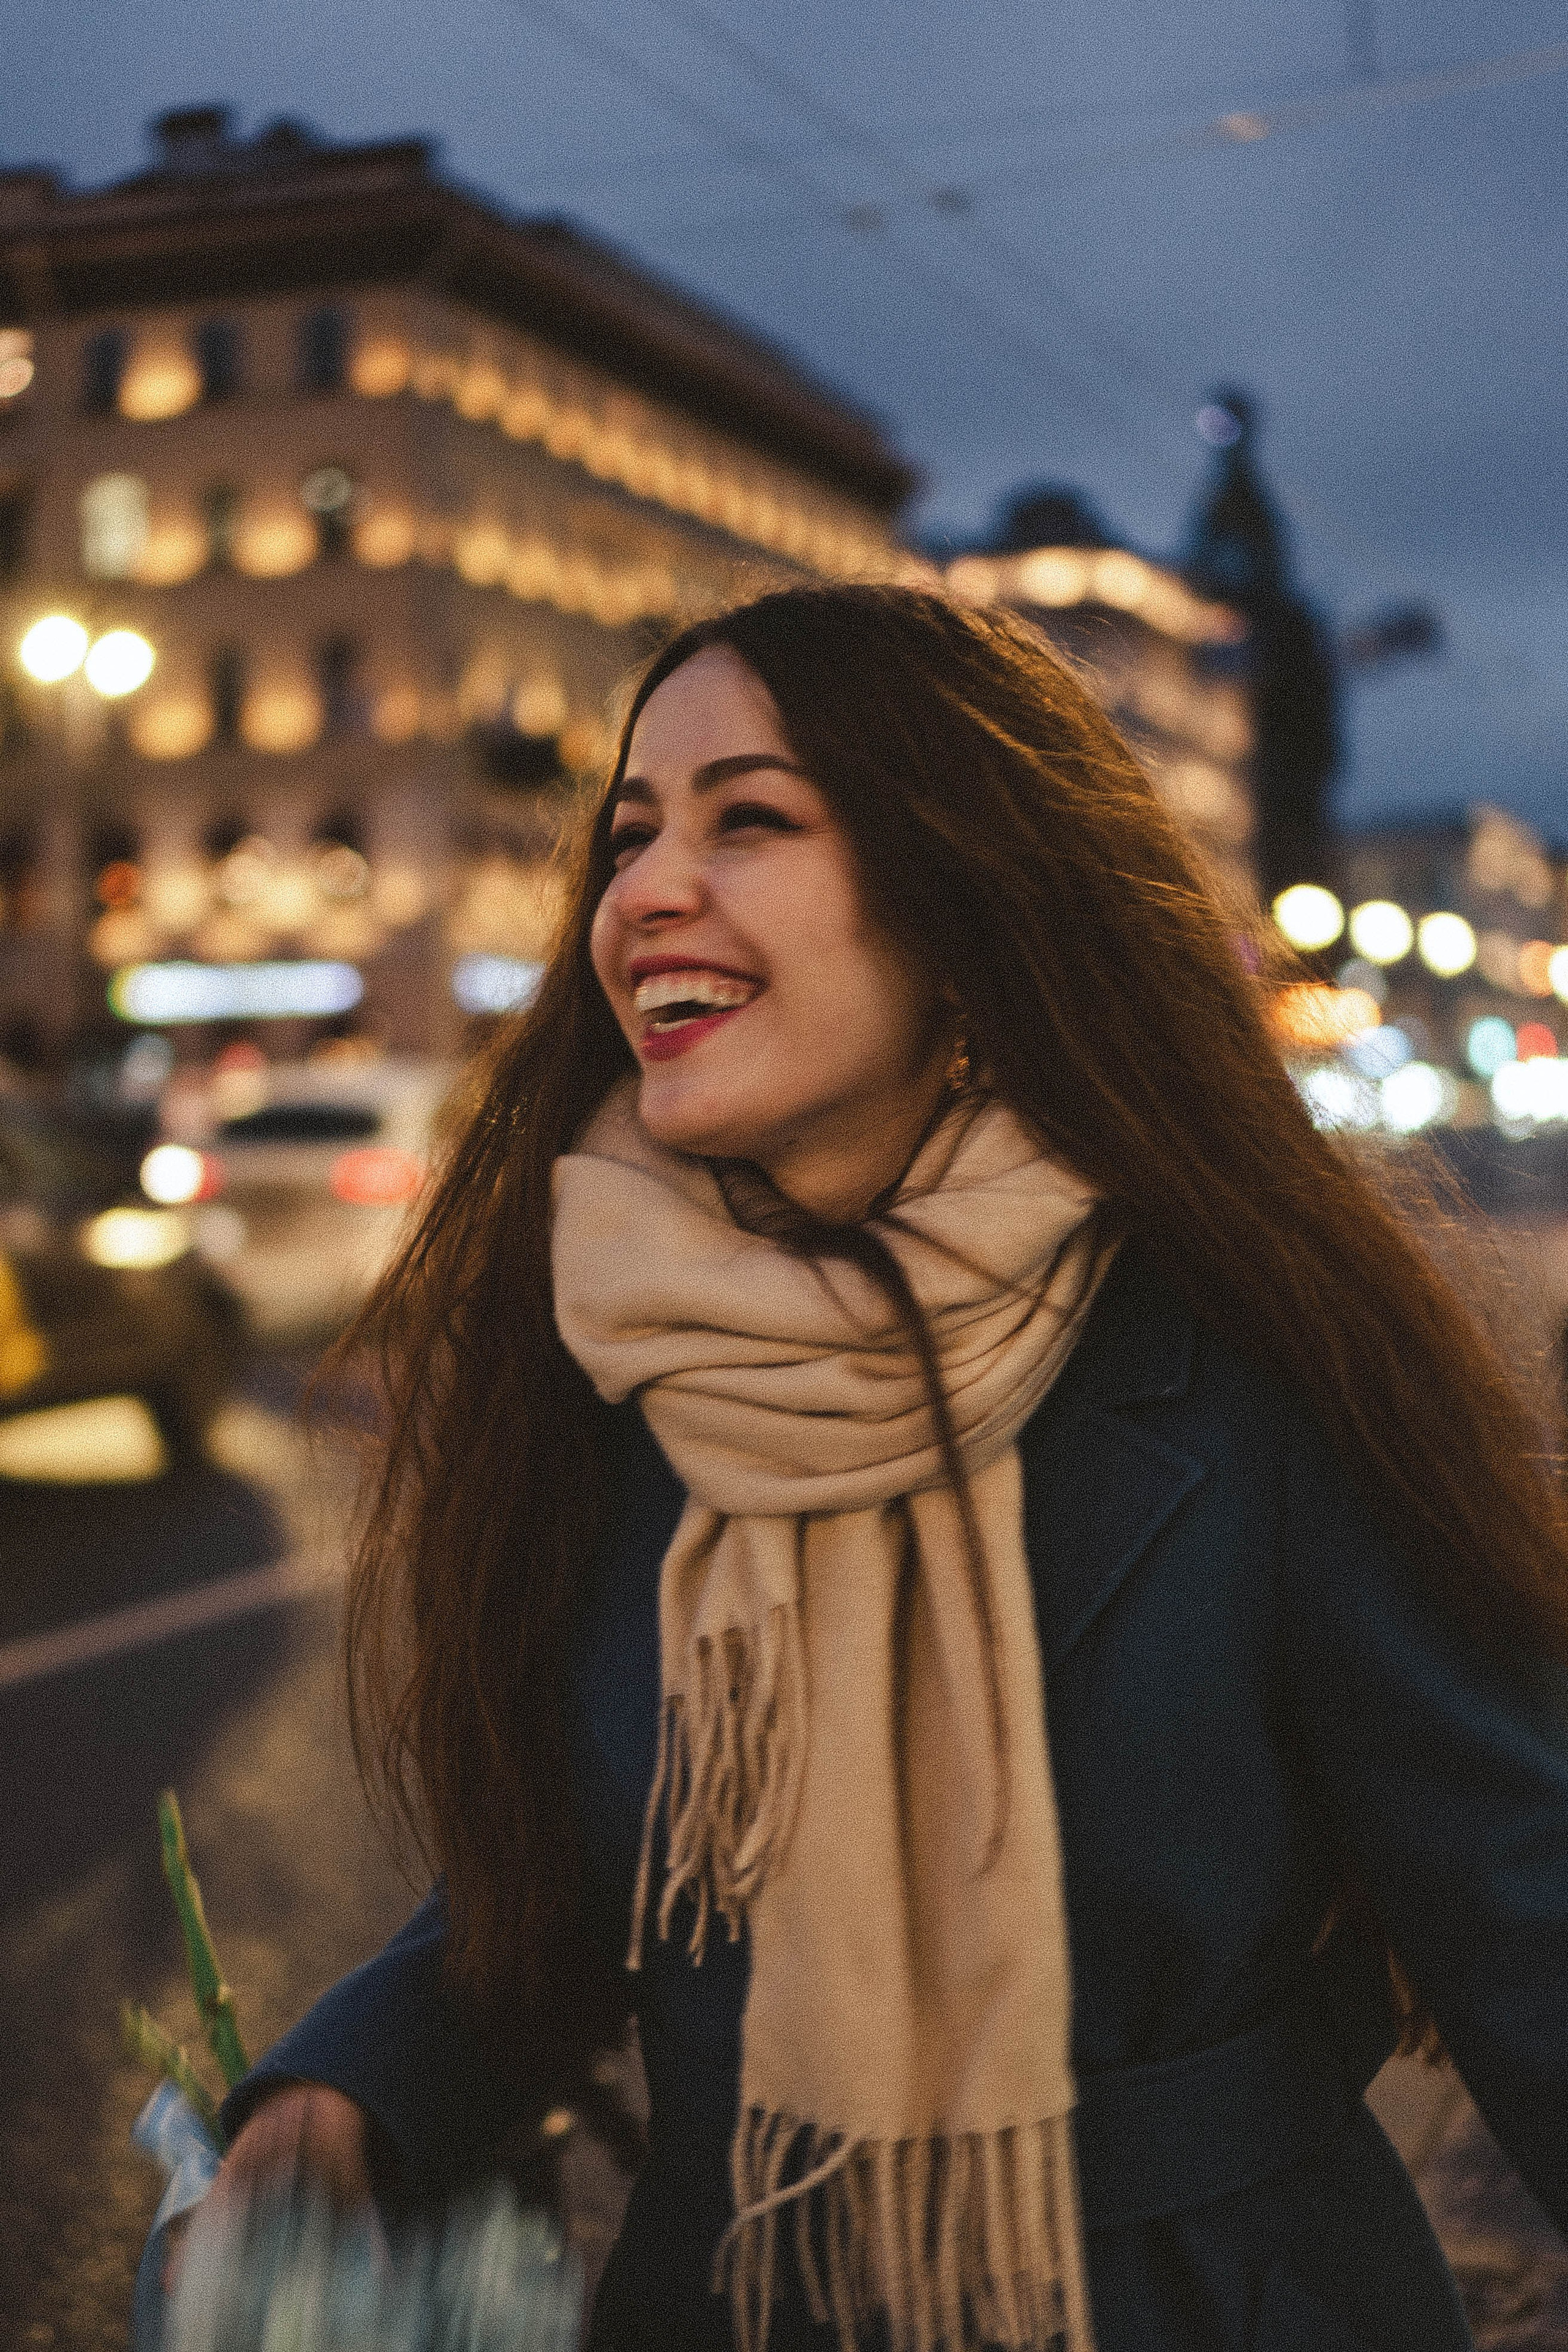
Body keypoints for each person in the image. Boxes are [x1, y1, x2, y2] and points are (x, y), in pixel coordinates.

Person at [145, 585, 1568, 2351]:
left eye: (751, 820)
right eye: (633, 835)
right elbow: (580, 1897)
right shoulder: (607, 1357)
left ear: (969, 903)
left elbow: (1528, 1912)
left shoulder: (1263, 1358)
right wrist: (342, 2101)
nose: (649, 889)